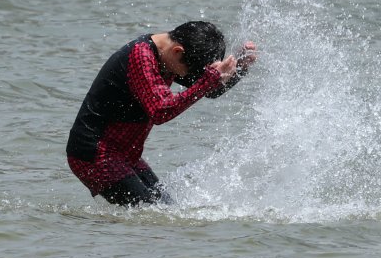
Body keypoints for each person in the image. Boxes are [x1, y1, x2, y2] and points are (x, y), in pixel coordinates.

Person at [66, 21, 257, 206]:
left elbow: (209, 90)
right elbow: (161, 111)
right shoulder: (141, 56)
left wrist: (240, 66)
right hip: (93, 153)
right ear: (177, 52)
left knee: (167, 211)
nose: (184, 77)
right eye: (188, 71)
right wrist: (208, 80)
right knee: (147, 215)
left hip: (125, 154)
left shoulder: (171, 57)